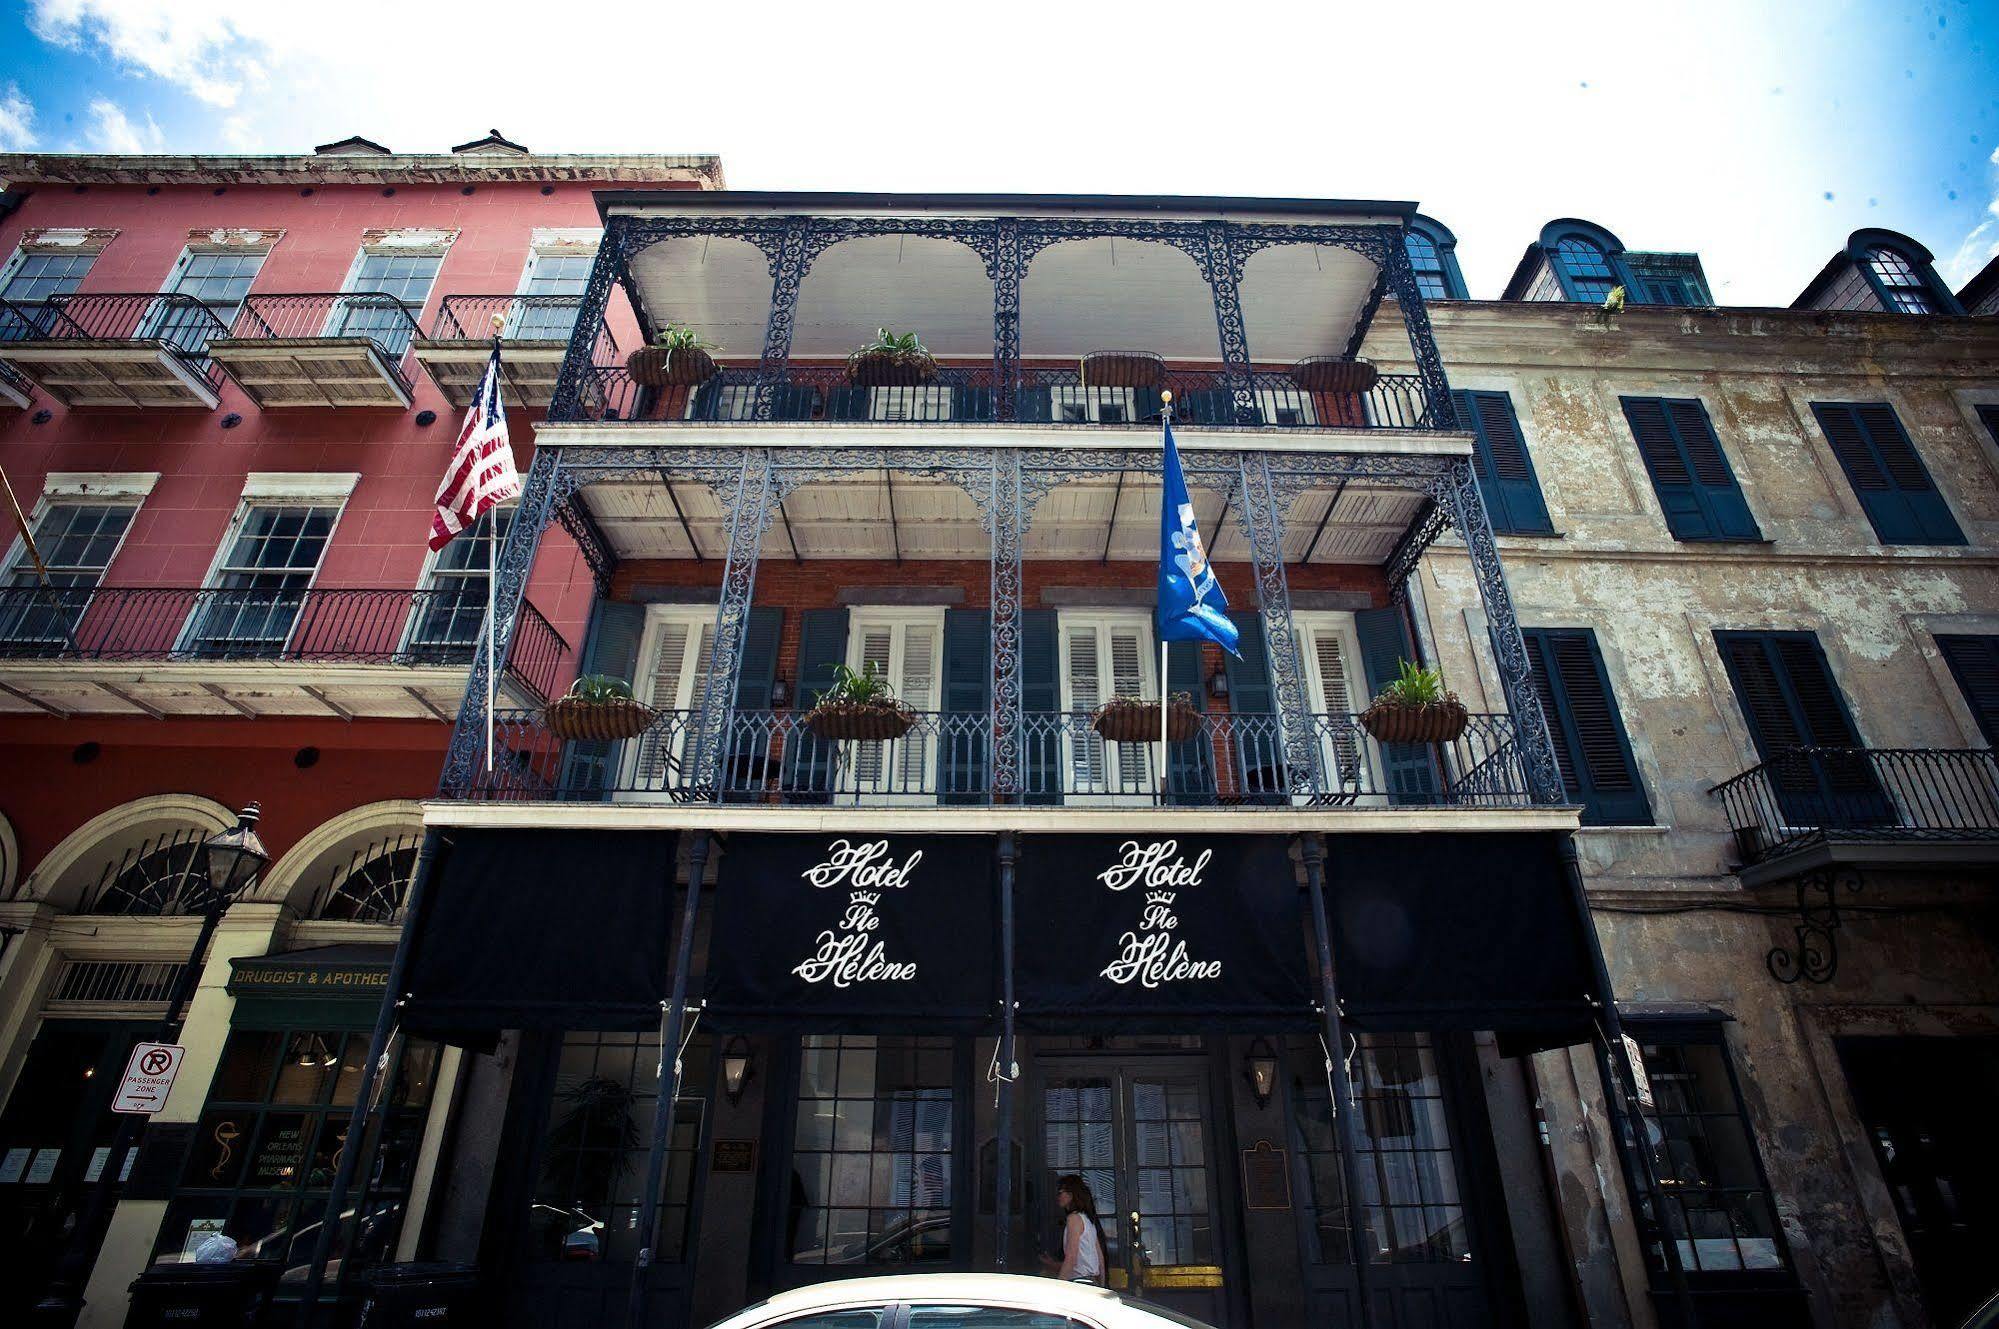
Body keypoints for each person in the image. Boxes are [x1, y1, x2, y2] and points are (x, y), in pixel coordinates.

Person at [1038, 1174, 1107, 1285]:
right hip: (1091, 1281)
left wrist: (1059, 1285)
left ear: (1071, 1195)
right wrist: (1103, 1285)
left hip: (1080, 1282)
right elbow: (1099, 1258)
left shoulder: (1073, 1219)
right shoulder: (1087, 1220)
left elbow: (1071, 1257)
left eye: (1060, 1192)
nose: (1058, 1197)